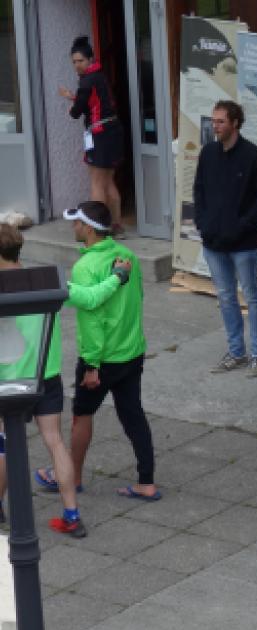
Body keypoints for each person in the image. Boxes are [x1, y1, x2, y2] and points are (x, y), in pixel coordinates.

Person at [0, 222, 130, 537]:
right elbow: (90, 297)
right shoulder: (47, 282)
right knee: (55, 442)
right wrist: (118, 276)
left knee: (2, 444)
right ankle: (72, 515)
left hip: (6, 381)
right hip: (46, 378)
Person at [64, 201, 161, 502]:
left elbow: (93, 321)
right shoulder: (127, 256)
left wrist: (91, 365)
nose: (73, 227)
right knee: (133, 416)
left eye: (76, 223)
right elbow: (138, 298)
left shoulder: (85, 267)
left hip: (102, 359)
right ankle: (146, 482)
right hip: (132, 352)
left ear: (89, 228)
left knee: (82, 415)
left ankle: (72, 477)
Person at [193, 100, 257, 378]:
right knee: (226, 298)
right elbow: (199, 190)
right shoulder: (208, 153)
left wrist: (243, 224)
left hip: (244, 244)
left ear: (235, 123)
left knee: (252, 297)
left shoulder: (254, 156)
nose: (215, 126)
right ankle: (236, 351)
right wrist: (202, 224)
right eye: (213, 121)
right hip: (213, 243)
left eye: (221, 121)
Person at [58, 36, 126, 239]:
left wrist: (72, 105)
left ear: (90, 59)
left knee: (97, 183)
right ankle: (117, 226)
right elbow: (94, 101)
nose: (77, 65)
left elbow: (77, 112)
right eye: (74, 62)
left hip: (99, 134)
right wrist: (74, 97)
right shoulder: (99, 75)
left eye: (80, 61)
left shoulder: (87, 81)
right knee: (109, 182)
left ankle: (99, 228)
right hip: (113, 130)